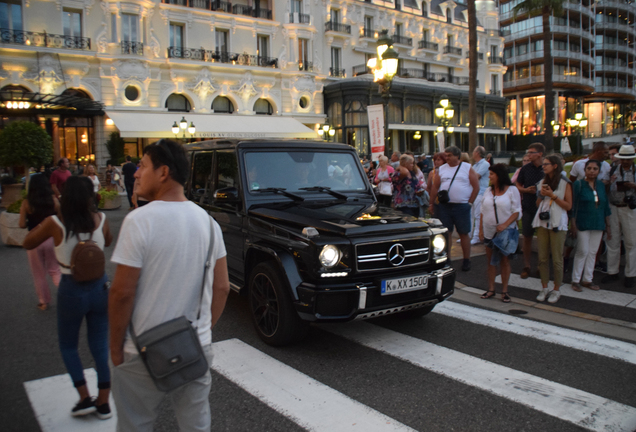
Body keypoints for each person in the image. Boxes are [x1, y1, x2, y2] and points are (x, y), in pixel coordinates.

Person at [109, 139, 230, 430]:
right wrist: (204, 328)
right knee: (195, 423)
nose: (136, 173)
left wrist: (114, 347)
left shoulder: (139, 221)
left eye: (142, 166)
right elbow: (222, 286)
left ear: (163, 172)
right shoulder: (209, 222)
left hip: (140, 348)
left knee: (135, 423)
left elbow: (122, 293)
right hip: (194, 345)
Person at [23, 176, 113, 419]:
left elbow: (27, 241)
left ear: (65, 196)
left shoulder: (55, 222)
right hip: (100, 287)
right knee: (99, 345)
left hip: (71, 288)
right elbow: (109, 241)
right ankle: (104, 402)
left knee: (68, 345)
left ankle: (84, 397)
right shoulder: (101, 219)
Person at [428, 146, 480, 271]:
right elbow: (435, 187)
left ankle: (467, 259)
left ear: (457, 156)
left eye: (449, 155)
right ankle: (447, 258)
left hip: (461, 206)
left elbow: (476, 186)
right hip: (445, 206)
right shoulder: (442, 169)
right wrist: (431, 203)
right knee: (447, 233)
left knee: (463, 233)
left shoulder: (466, 168)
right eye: (446, 155)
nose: (447, 158)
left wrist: (470, 202)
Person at [533, 155, 573, 304]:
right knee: (542, 257)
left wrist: (553, 196)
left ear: (555, 165)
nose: (543, 166)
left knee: (557, 259)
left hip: (558, 222)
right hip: (543, 222)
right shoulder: (542, 182)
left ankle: (556, 289)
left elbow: (568, 206)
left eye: (546, 164)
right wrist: (542, 196)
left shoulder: (565, 183)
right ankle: (544, 287)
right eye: (543, 164)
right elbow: (538, 204)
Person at [479, 164, 521, 302]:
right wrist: (480, 229)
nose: (489, 177)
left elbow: (516, 211)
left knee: (504, 260)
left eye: (492, 174)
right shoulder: (488, 191)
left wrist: (505, 225)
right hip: (489, 231)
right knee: (490, 261)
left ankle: (505, 290)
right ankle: (491, 288)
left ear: (499, 175)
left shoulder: (512, 190)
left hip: (505, 232)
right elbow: (482, 211)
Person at [19, 174, 61, 310]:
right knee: (55, 270)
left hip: (34, 240)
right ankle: (68, 297)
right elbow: (60, 219)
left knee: (38, 273)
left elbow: (21, 225)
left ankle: (43, 301)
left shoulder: (26, 203)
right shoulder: (53, 200)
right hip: (51, 239)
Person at [570, 160, 611, 291]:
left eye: (595, 169)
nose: (592, 171)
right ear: (585, 170)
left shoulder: (600, 185)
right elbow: (573, 205)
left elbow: (605, 206)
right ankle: (576, 280)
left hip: (598, 222)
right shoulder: (579, 184)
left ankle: (588, 279)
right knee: (583, 251)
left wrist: (608, 225)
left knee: (593, 252)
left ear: (599, 171)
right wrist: (573, 223)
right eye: (589, 168)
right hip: (583, 222)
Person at [602, 144, 636, 288]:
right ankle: (612, 271)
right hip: (614, 207)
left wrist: (633, 186)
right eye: (623, 159)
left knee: (631, 242)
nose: (626, 162)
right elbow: (604, 187)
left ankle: (631, 274)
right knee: (613, 241)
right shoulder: (613, 169)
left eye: (628, 159)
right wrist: (609, 183)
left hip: (629, 208)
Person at [516, 143, 546, 279]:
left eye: (531, 152)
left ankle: (541, 266)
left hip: (543, 207)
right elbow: (518, 184)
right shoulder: (525, 169)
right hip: (528, 206)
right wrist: (525, 190)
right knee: (527, 237)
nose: (528, 154)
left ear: (540, 153)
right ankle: (526, 265)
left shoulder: (546, 168)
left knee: (543, 238)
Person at [470, 146, 490, 245]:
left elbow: (476, 176)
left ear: (477, 153)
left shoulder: (485, 164)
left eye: (473, 151)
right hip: (473, 192)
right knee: (471, 215)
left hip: (481, 192)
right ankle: (469, 235)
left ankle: (477, 236)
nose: (472, 153)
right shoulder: (474, 165)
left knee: (477, 215)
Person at [427, 152, 447, 218]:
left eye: (439, 160)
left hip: (445, 200)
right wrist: (430, 202)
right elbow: (429, 187)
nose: (436, 162)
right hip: (436, 201)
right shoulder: (432, 173)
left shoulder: (447, 171)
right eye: (435, 160)